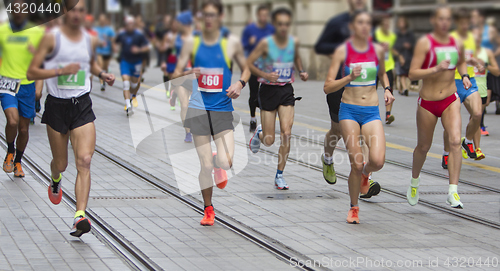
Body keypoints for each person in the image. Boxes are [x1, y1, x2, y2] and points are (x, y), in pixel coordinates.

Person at [27, 0, 116, 237]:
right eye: (73, 10)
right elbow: (32, 72)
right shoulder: (51, 38)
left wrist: (102, 74)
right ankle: (55, 178)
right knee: (62, 163)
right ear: (65, 12)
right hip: (57, 106)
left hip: (81, 105)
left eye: (81, 10)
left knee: (85, 160)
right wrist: (59, 71)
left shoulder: (89, 38)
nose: (77, 14)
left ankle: (80, 215)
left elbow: (90, 64)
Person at [172, 0, 250, 226]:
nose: (208, 19)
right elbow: (176, 72)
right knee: (204, 166)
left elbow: (246, 68)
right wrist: (189, 72)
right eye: (205, 15)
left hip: (223, 109)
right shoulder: (191, 42)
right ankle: (208, 209)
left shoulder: (230, 43)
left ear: (220, 18)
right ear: (200, 18)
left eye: (213, 15)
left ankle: (218, 164)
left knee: (226, 162)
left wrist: (240, 83)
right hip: (198, 109)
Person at [323, 11, 394, 224]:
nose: (365, 27)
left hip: (371, 111)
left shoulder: (378, 50)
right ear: (353, 27)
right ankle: (354, 207)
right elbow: (327, 87)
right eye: (360, 23)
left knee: (378, 161)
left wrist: (388, 89)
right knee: (356, 162)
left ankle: (366, 174)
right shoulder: (342, 51)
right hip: (349, 111)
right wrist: (348, 77)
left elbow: (382, 72)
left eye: (368, 24)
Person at [406, 5, 471, 209]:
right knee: (423, 147)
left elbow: (460, 62)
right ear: (434, 20)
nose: (445, 23)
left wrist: (466, 75)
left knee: (454, 142)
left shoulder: (456, 42)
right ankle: (414, 182)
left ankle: (453, 191)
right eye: (441, 19)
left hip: (450, 99)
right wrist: (435, 68)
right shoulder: (425, 43)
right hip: (428, 102)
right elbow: (412, 74)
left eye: (447, 19)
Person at [314, 0, 381, 198]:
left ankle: (364, 179)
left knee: (364, 133)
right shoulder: (338, 22)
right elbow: (320, 46)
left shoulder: (370, 23)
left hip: (365, 87)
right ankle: (327, 158)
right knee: (336, 130)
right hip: (340, 84)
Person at [248, 8, 309, 190]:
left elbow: (296, 56)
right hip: (267, 90)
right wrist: (265, 74)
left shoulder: (293, 42)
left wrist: (302, 70)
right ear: (274, 25)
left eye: (286, 24)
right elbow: (249, 64)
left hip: (286, 91)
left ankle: (279, 175)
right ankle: (259, 134)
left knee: (286, 133)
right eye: (280, 24)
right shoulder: (265, 43)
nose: (283, 28)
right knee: (269, 140)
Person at [0, 0, 44, 177]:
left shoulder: (37, 32)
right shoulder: (2, 30)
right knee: (12, 121)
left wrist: (39, 87)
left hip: (27, 86)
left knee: (24, 130)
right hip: (7, 84)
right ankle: (10, 151)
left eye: (21, 9)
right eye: (14, 9)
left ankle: (18, 161)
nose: (17, 12)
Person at [441, 9, 484, 169]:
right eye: (463, 22)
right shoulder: (451, 38)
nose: (466, 25)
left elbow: (473, 58)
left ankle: (468, 141)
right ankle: (446, 154)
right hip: (453, 81)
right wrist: (469, 59)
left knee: (478, 113)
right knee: (451, 123)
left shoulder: (473, 38)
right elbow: (450, 59)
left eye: (468, 22)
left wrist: (478, 63)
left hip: (469, 79)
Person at [161, 11, 195, 143]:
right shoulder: (176, 39)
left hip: (195, 76)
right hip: (181, 76)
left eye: (179, 22)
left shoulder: (197, 37)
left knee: (195, 106)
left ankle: (173, 93)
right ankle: (188, 132)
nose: (177, 25)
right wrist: (169, 67)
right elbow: (172, 55)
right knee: (185, 105)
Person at [241, 4, 274, 132]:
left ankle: (265, 121)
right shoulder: (250, 30)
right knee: (254, 93)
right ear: (258, 16)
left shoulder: (271, 29)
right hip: (253, 67)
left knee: (266, 94)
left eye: (266, 15)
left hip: (267, 67)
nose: (263, 17)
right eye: (261, 15)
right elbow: (242, 45)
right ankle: (253, 118)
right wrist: (249, 42)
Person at [114, 16, 149, 116]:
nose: (129, 26)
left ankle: (132, 95)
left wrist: (139, 50)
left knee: (134, 84)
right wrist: (115, 49)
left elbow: (148, 46)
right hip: (125, 61)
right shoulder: (122, 34)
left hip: (137, 62)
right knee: (125, 83)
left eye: (131, 24)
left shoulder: (139, 35)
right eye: (127, 24)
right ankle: (128, 105)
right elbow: (115, 43)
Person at [472, 32, 500, 155]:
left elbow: (497, 72)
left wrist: (486, 65)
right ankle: (472, 145)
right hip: (468, 89)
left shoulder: (487, 52)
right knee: (476, 115)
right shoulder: (465, 52)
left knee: (476, 118)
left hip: (482, 88)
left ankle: (474, 146)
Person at [472, 10, 500, 114]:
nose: (473, 20)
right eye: (472, 17)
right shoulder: (472, 32)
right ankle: (479, 124)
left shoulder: (490, 30)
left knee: (486, 100)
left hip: (487, 66)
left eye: (475, 17)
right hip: (476, 68)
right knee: (477, 101)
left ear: (481, 18)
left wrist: (492, 55)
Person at [374, 14, 398, 124]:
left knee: (389, 90)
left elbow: (392, 50)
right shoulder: (376, 35)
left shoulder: (392, 36)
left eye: (388, 23)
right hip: (375, 66)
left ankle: (388, 114)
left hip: (388, 66)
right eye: (384, 23)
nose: (387, 25)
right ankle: (372, 111)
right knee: (372, 89)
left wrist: (400, 56)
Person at [394, 16, 415, 96]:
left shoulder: (410, 34)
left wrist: (410, 46)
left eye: (403, 22)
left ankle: (402, 88)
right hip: (400, 55)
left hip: (409, 55)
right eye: (400, 22)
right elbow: (394, 46)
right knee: (402, 73)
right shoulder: (396, 34)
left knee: (407, 73)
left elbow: (414, 44)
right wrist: (402, 46)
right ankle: (405, 88)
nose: (401, 24)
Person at [95, 14, 116, 91]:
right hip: (98, 51)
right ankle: (102, 83)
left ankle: (105, 77)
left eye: (103, 19)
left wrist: (109, 39)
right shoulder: (96, 29)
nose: (102, 21)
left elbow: (113, 38)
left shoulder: (109, 29)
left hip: (107, 51)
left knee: (105, 67)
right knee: (100, 66)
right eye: (100, 19)